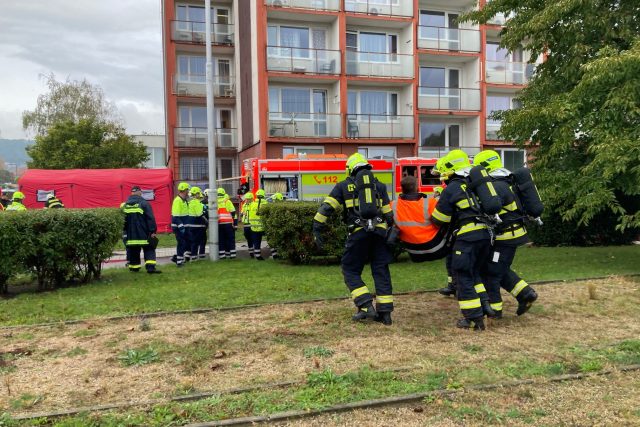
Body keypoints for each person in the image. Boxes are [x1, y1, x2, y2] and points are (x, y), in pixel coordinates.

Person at [312, 153, 395, 325]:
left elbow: (327, 208)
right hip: (380, 234)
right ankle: (385, 314)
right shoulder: (379, 185)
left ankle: (365, 305)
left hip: (358, 233)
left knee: (350, 269)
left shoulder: (343, 185)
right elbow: (388, 214)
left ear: (350, 170)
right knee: (381, 270)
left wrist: (317, 227)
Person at [430, 150, 495, 331]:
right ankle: (485, 306)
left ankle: (473, 318)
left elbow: (439, 219)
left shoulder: (452, 188)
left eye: (444, 176)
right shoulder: (473, 184)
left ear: (450, 172)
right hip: (486, 234)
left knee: (462, 276)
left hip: (467, 238)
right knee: (474, 273)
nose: (443, 180)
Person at [473, 150, 538, 317]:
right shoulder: (508, 180)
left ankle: (495, 310)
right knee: (500, 268)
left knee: (491, 272)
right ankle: (525, 294)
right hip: (515, 234)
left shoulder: (496, 186)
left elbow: (490, 208)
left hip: (505, 237)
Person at [390, 176, 449, 262]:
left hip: (412, 250)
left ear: (402, 189)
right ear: (417, 187)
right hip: (435, 247)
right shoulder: (430, 202)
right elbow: (440, 223)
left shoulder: (393, 205)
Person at [122, 186, 161, 274]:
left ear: (131, 193)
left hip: (131, 235)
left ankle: (134, 268)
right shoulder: (144, 203)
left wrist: (125, 231)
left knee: (133, 251)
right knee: (149, 249)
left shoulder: (125, 205)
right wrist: (153, 231)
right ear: (140, 192)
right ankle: (150, 268)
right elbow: (150, 218)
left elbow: (123, 220)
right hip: (144, 234)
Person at [171, 182, 190, 267]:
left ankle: (178, 258)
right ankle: (179, 262)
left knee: (184, 243)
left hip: (183, 226)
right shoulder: (177, 200)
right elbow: (175, 216)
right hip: (178, 226)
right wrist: (181, 225)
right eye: (187, 190)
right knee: (181, 243)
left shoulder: (184, 200)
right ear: (185, 190)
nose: (188, 191)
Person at [188, 186, 208, 261]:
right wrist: (207, 221)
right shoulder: (196, 202)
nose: (199, 194)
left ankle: (194, 256)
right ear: (196, 194)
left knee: (194, 241)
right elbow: (199, 214)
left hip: (191, 225)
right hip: (198, 225)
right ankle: (200, 256)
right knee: (201, 240)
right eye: (198, 193)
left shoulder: (190, 202)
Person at [217, 187, 237, 259]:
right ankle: (232, 255)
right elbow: (233, 211)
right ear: (224, 193)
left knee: (221, 239)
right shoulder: (227, 201)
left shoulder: (215, 201)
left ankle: (222, 255)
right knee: (230, 239)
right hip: (228, 223)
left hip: (219, 223)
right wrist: (232, 220)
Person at [249, 189, 268, 260]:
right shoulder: (266, 204)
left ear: (256, 196)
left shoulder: (252, 204)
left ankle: (257, 256)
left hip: (254, 227)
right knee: (270, 240)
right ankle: (275, 255)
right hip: (264, 227)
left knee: (256, 242)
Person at [240, 191, 255, 258]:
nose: (247, 200)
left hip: (252, 224)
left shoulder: (254, 205)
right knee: (248, 237)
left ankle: (254, 251)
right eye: (246, 199)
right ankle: (251, 252)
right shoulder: (244, 205)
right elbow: (242, 213)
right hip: (246, 224)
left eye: (248, 199)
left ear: (252, 199)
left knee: (253, 238)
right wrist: (242, 214)